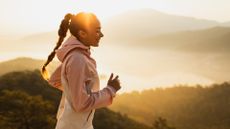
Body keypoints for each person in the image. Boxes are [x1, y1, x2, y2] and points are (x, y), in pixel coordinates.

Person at [41, 12, 121, 129]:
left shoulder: (75, 56)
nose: (101, 35)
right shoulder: (77, 59)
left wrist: (74, 90)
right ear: (82, 33)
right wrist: (110, 90)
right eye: (97, 31)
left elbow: (55, 80)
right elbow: (81, 104)